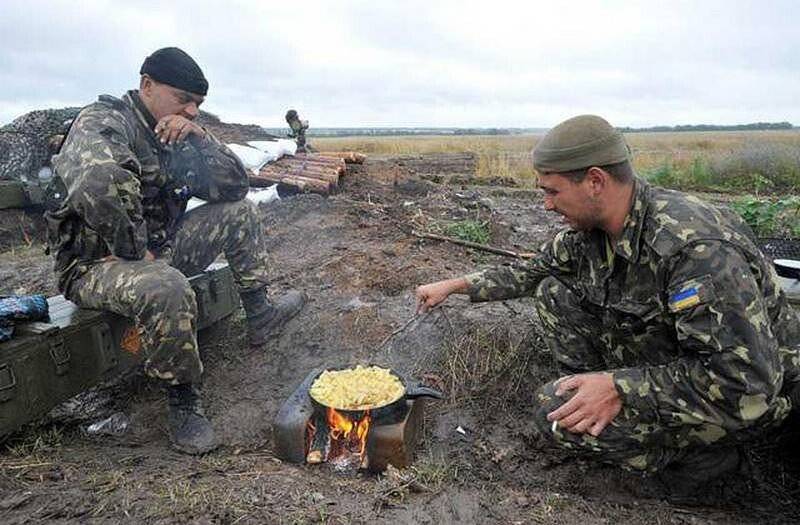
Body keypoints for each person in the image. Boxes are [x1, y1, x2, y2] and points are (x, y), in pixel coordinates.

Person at [416, 115, 800, 489]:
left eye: (552, 191)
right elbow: (532, 273)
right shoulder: (593, 232)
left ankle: (698, 461)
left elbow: (746, 382)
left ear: (595, 181)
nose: (546, 205)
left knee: (554, 414)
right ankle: (596, 398)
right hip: (678, 361)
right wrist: (456, 285)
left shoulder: (695, 249)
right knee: (555, 292)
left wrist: (621, 387)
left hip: (751, 399)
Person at [45, 47, 306, 454]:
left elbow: (236, 186)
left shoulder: (179, 134)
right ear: (146, 85)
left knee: (239, 213)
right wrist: (136, 251)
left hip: (156, 250)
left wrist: (203, 140)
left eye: (198, 104)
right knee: (167, 285)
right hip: (96, 263)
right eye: (182, 99)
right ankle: (182, 400)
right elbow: (99, 184)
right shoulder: (105, 122)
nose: (191, 110)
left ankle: (260, 314)